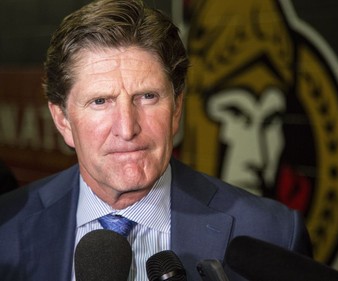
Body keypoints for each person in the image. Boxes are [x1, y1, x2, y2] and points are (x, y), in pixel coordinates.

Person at [0, 0, 311, 280]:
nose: (127, 127)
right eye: (100, 101)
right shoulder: (6, 228)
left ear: (176, 109)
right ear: (62, 120)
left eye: (147, 97)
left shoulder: (271, 234)